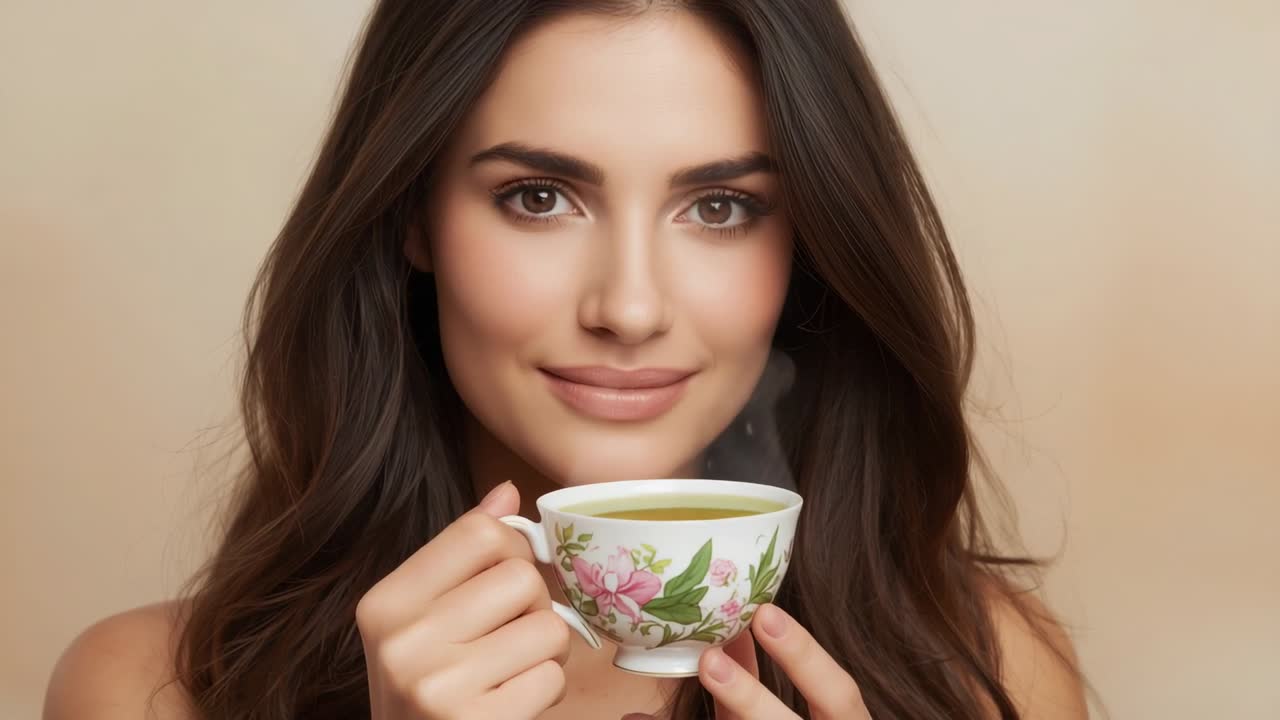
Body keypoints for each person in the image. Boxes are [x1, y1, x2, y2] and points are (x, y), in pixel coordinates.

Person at [44, 1, 1088, 718]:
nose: (627, 307)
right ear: (410, 215)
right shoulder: (149, 690)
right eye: (536, 198)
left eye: (720, 207)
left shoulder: (982, 671)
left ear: (806, 247)